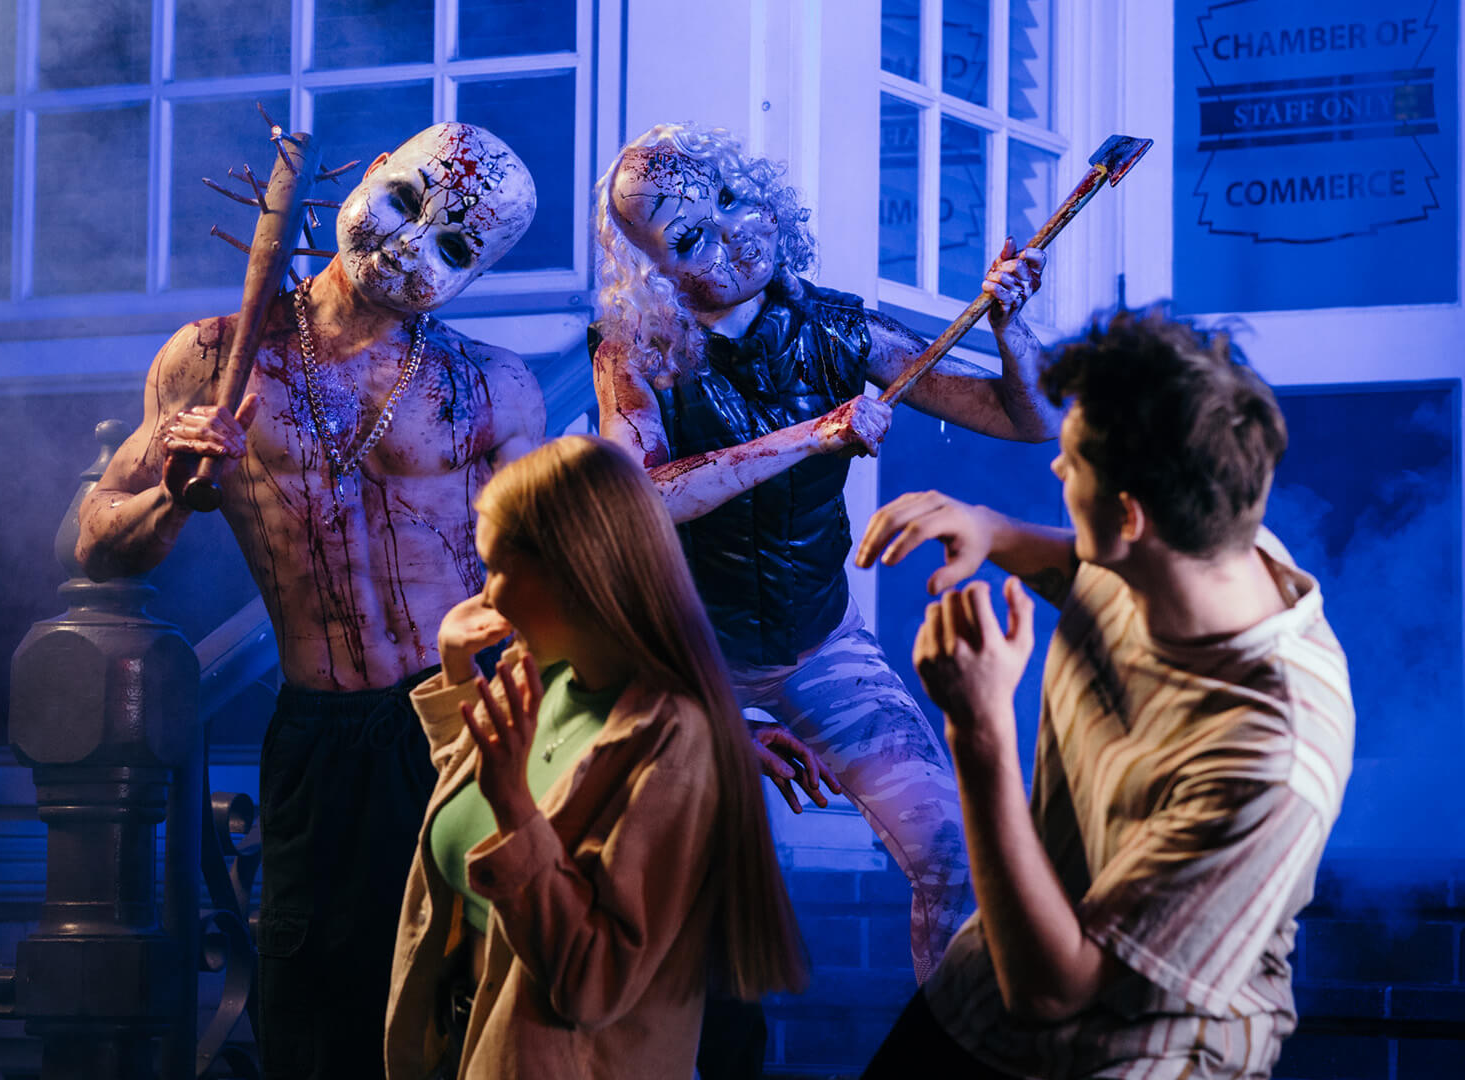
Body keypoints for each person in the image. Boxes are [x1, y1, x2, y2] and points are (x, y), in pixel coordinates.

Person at [75, 122, 545, 1080]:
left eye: (453, 248)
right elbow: (91, 539)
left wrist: (692, 706)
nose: (409, 247)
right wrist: (175, 491)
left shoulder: (492, 386)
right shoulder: (213, 362)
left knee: (479, 1006)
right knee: (315, 1018)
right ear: (373, 174)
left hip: (468, 718)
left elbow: (563, 582)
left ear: (475, 276)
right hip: (318, 733)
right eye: (407, 203)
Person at [589, 121, 1063, 985]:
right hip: (685, 667)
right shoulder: (635, 354)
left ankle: (949, 1062)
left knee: (956, 855)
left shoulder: (846, 332)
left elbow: (1028, 419)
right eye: (692, 234)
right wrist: (814, 435)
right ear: (654, 267)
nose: (732, 234)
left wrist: (1011, 327)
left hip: (821, 650)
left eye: (733, 200)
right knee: (659, 892)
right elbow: (641, 499)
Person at [852, 305, 1355, 1078]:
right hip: (980, 993)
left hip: (1121, 1054)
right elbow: (1097, 569)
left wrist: (979, 732)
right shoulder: (1205, 539)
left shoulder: (1267, 758)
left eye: (1073, 461)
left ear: (1130, 515)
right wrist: (989, 529)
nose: (1056, 468)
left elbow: (1056, 992)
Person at [384, 434, 808, 1079]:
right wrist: (455, 670)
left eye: (501, 569)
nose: (488, 595)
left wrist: (516, 811)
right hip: (468, 1045)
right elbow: (470, 798)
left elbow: (593, 984)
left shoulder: (674, 741)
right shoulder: (543, 668)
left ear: (577, 573)